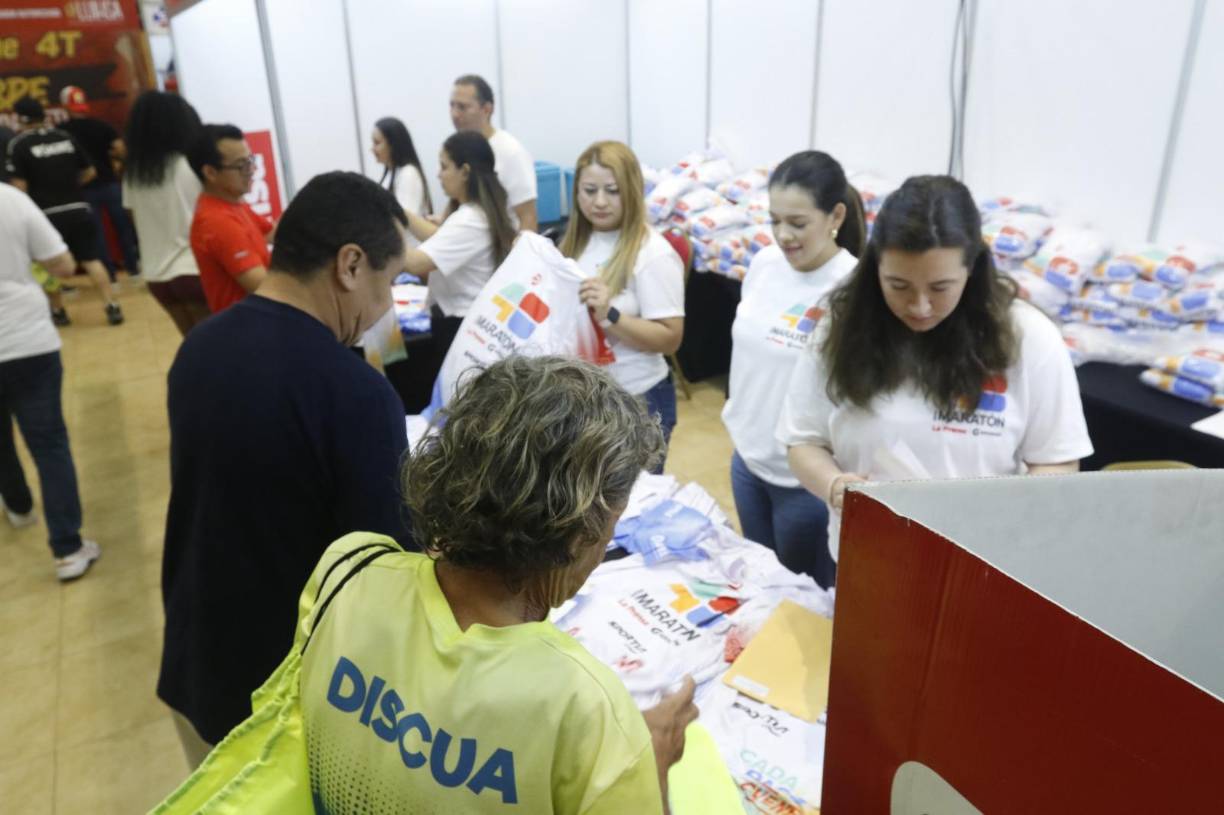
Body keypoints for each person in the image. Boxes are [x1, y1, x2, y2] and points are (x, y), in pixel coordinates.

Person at [297, 355, 697, 812]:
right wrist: (652, 765)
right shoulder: (585, 711)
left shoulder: (348, 567)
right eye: (614, 522)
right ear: (579, 530)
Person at [158, 171, 415, 765]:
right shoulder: (354, 394)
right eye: (391, 281)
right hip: (281, 707)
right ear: (350, 265)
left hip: (196, 663)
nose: (386, 307)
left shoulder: (200, 347)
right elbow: (386, 572)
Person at [779, 175, 1093, 561]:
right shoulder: (838, 328)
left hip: (982, 562)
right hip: (867, 555)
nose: (920, 306)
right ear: (875, 266)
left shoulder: (1029, 339)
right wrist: (834, 485)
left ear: (973, 269)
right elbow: (802, 440)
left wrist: (1009, 518)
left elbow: (1056, 459)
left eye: (941, 287)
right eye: (898, 285)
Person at [721, 151, 864, 588]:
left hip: (802, 482)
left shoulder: (852, 290)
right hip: (748, 460)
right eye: (774, 220)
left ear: (835, 215)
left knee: (800, 600)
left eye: (798, 223)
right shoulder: (764, 265)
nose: (784, 235)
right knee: (760, 587)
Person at [559, 141, 685, 470]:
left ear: (630, 190)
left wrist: (611, 316)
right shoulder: (574, 241)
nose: (599, 202)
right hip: (584, 399)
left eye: (612, 191)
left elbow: (670, 338)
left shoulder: (652, 253)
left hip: (637, 400)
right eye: (589, 190)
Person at [0, 180, 100, 581]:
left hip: (24, 340)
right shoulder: (11, 200)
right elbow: (61, 263)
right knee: (48, 443)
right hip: (27, 340)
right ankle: (67, 548)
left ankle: (19, 506)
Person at [399, 130, 516, 385]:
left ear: (464, 171)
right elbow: (441, 237)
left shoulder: (469, 220)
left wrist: (388, 234)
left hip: (459, 326)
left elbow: (416, 263)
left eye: (444, 167)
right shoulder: (472, 213)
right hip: (464, 322)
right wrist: (402, 214)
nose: (439, 174)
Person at [5, 97, 124, 326]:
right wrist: (71, 187)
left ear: (20, 118)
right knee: (91, 258)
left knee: (48, 263)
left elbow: (20, 187)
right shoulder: (64, 138)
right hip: (77, 206)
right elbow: (89, 171)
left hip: (44, 214)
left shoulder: (19, 145)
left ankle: (59, 311)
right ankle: (112, 305)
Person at [123, 91, 211, 335]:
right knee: (222, 348)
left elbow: (133, 218)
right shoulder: (192, 166)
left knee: (194, 346)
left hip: (157, 276)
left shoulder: (134, 175)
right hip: (196, 270)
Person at [186, 123, 274, 313]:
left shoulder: (233, 203)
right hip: (249, 329)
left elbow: (270, 234)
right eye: (241, 165)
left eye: (250, 161)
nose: (251, 170)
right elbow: (264, 288)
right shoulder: (218, 221)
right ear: (210, 172)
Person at [59, 85, 140, 281]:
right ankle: (133, 269)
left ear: (64, 106)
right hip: (110, 184)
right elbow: (120, 150)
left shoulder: (62, 132)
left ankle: (109, 274)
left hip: (83, 188)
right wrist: (113, 160)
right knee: (123, 227)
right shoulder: (102, 126)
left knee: (97, 233)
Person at [450, 74, 538, 231]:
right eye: (452, 106)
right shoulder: (459, 148)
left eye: (462, 107)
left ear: (487, 109)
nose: (455, 114)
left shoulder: (510, 151)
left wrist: (522, 254)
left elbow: (528, 216)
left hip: (503, 249)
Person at [371, 116, 432, 219]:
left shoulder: (408, 174)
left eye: (377, 143)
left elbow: (405, 221)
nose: (372, 149)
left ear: (392, 144)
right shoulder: (391, 173)